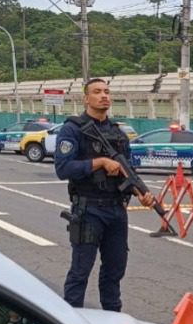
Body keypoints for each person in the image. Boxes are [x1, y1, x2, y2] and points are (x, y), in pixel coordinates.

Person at [55, 78, 155, 312]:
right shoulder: (73, 129)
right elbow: (63, 169)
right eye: (97, 92)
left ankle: (113, 321)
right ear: (86, 98)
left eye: (107, 92)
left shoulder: (118, 133)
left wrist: (141, 193)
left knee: (114, 271)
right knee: (80, 271)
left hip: (116, 210)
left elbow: (128, 172)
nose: (104, 96)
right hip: (88, 210)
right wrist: (99, 162)